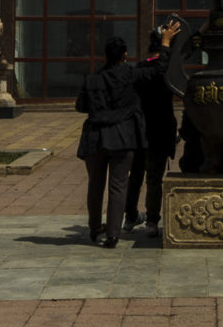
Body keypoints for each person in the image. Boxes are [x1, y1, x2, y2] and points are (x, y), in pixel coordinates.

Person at [75, 19, 182, 247]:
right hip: (123, 137)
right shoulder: (131, 75)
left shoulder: (92, 79)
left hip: (94, 137)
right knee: (118, 185)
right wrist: (165, 43)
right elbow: (159, 69)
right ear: (124, 55)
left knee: (95, 185)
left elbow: (81, 106)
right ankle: (113, 234)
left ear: (106, 55)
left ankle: (95, 228)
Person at [126, 24, 180, 230]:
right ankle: (151, 220)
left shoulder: (140, 67)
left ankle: (131, 216)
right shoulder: (164, 70)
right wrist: (167, 42)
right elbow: (160, 69)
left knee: (137, 177)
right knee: (153, 178)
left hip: (141, 129)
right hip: (157, 130)